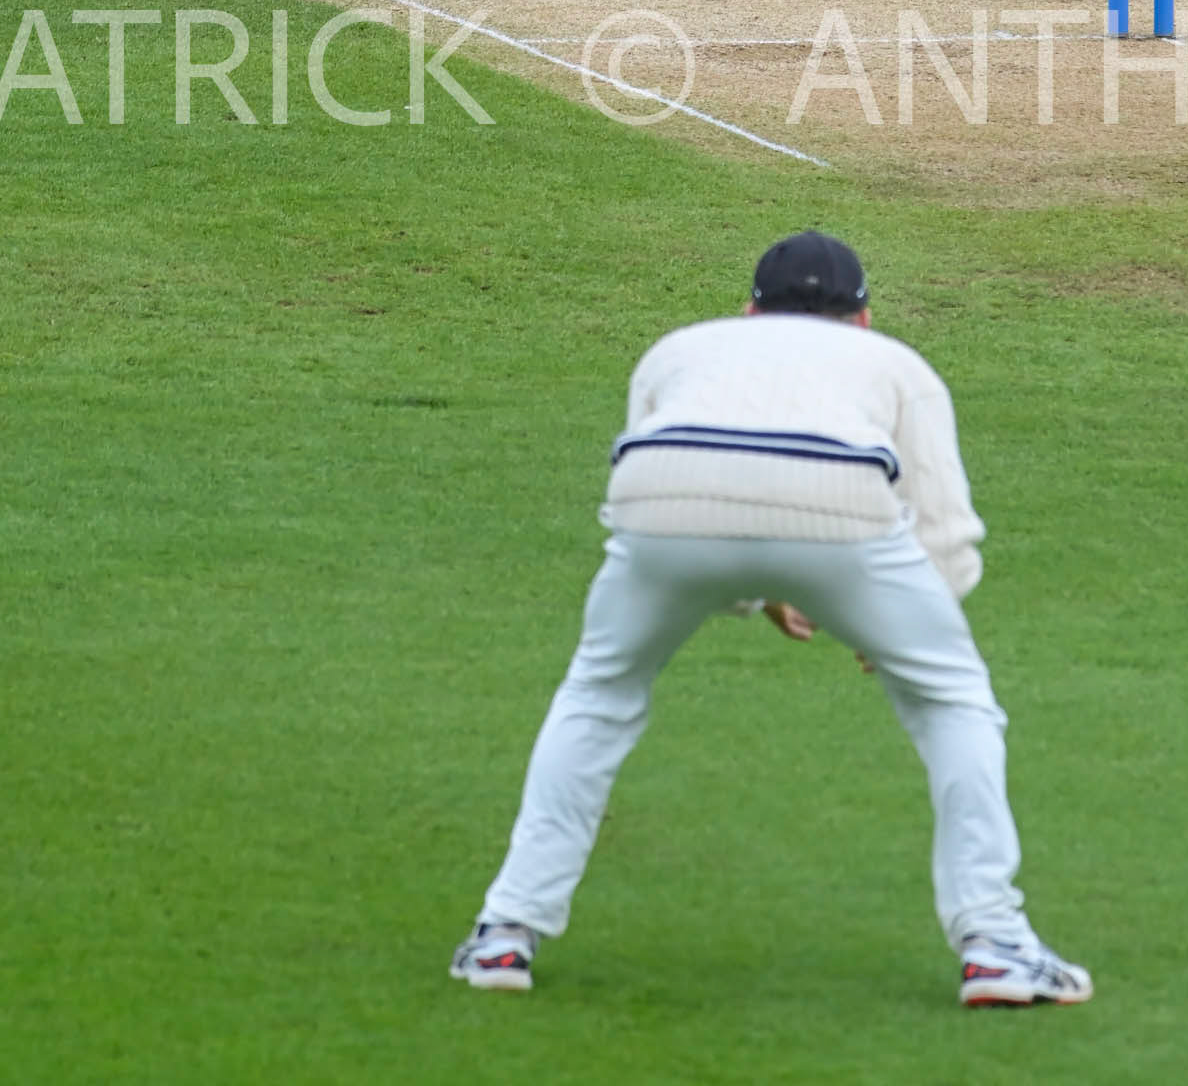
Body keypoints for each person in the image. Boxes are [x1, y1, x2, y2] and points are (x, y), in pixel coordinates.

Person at [450, 232, 1092, 1010]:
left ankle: (503, 933)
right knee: (951, 700)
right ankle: (994, 946)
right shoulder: (894, 364)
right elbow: (945, 531)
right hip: (837, 508)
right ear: (862, 319)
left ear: (749, 311)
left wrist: (754, 589)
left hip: (662, 509)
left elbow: (672, 488)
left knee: (598, 692)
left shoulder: (677, 350)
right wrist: (904, 626)